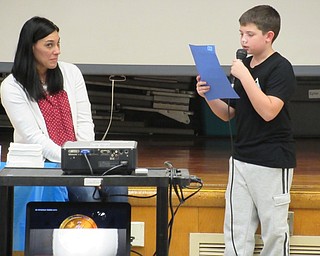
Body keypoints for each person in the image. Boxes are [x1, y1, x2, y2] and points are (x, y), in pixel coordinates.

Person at [0, 16, 127, 250]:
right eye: (49, 45)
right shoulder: (12, 86)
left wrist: (89, 159)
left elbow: (84, 122)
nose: (57, 51)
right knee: (86, 192)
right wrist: (78, 164)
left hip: (82, 158)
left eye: (58, 43)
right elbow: (35, 139)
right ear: (31, 47)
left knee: (119, 185)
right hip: (47, 162)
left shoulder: (71, 73)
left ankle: (116, 249)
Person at [196, 5, 296, 256]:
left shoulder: (280, 67)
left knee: (274, 231)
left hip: (272, 160)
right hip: (241, 159)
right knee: (236, 230)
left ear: (269, 36)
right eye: (241, 33)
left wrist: (246, 77)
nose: (243, 40)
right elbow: (229, 113)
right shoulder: (245, 66)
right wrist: (208, 96)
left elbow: (269, 111)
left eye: (249, 34)